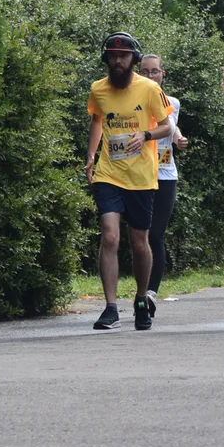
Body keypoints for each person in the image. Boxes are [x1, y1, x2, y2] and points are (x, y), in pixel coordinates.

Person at [84, 33, 174, 331]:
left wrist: (145, 135)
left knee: (139, 243)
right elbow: (97, 120)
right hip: (108, 173)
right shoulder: (98, 89)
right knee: (110, 236)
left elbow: (166, 126)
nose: (118, 61)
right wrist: (91, 156)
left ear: (134, 59)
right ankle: (110, 308)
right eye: (112, 56)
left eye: (123, 56)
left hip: (141, 176)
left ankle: (139, 300)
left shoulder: (149, 89)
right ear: (106, 59)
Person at [139, 55, 189, 317]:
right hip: (137, 175)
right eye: (145, 72)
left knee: (156, 234)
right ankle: (140, 293)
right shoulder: (133, 103)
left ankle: (150, 294)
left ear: (162, 74)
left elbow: (171, 125)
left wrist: (179, 139)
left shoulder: (173, 103)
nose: (150, 76)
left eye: (154, 71)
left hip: (165, 175)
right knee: (139, 236)